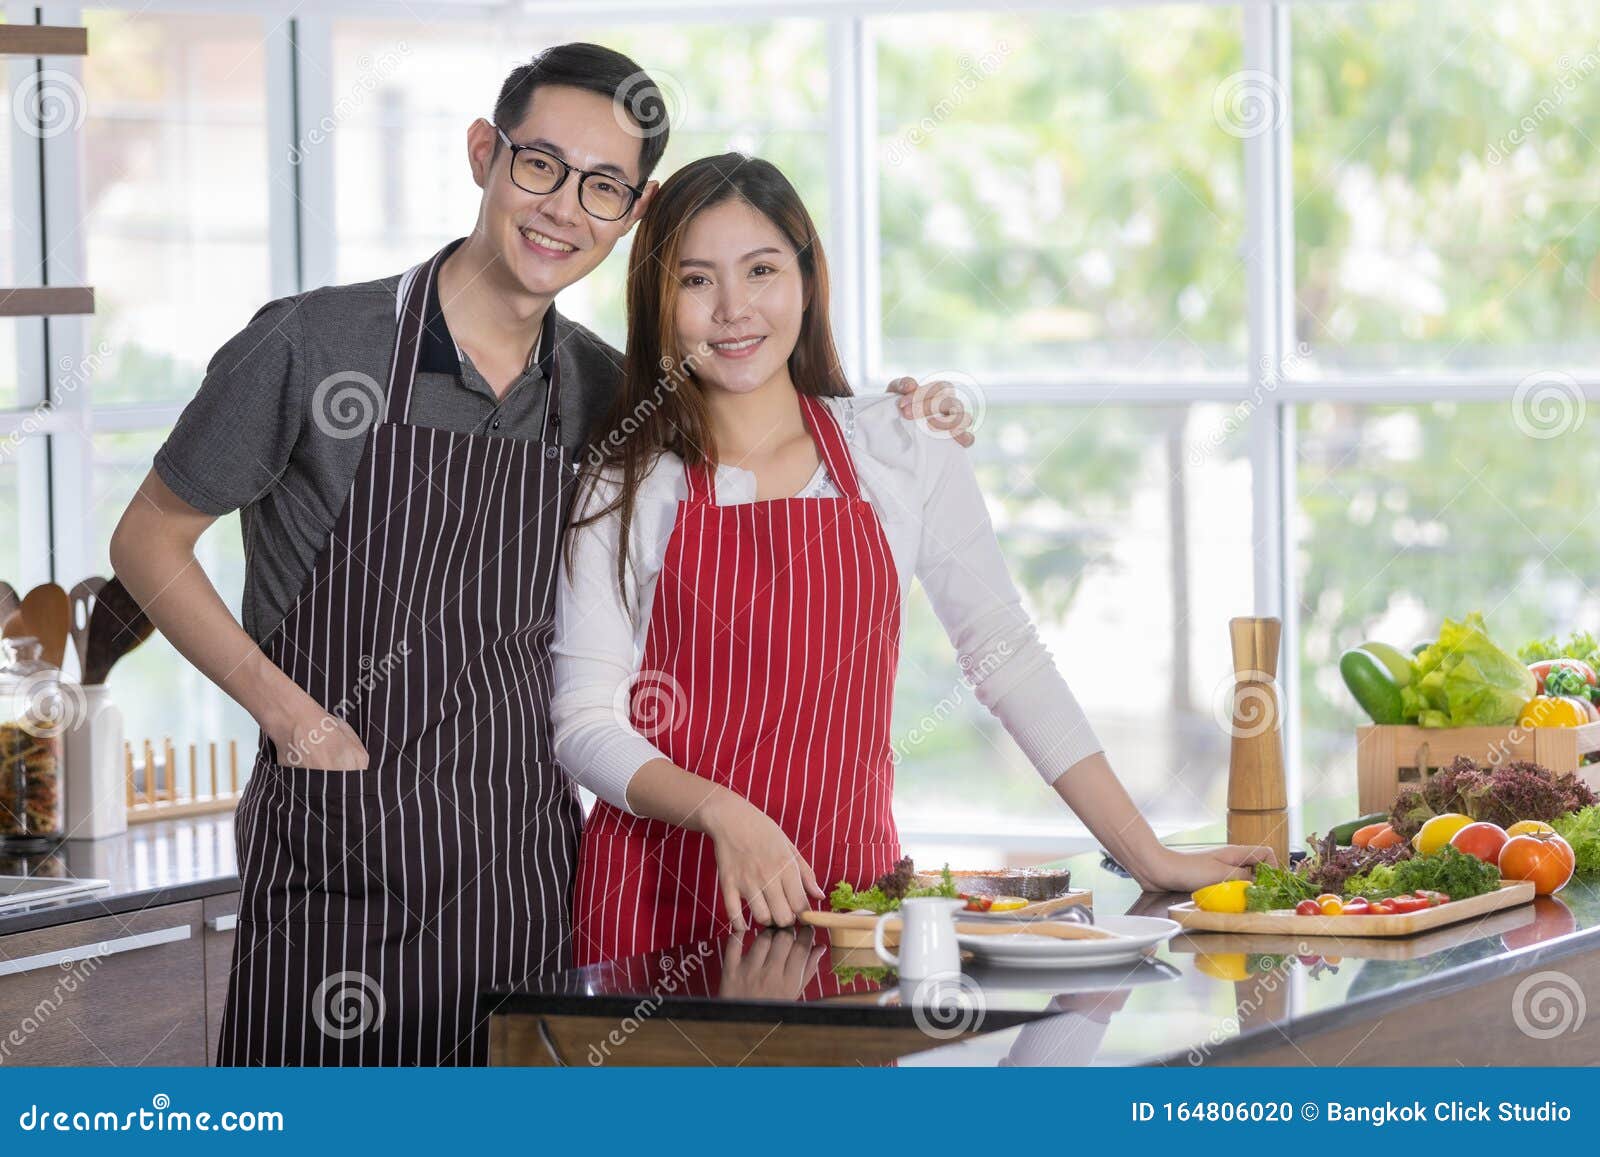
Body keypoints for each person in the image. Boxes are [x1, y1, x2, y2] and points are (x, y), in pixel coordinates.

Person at [553, 154, 1274, 967]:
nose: (733, 309)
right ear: (656, 299)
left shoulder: (901, 442)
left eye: (762, 270)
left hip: (849, 900)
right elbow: (583, 722)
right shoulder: (623, 481)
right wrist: (722, 810)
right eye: (695, 280)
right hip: (657, 904)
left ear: (807, 276)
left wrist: (1146, 852)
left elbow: (1006, 656)